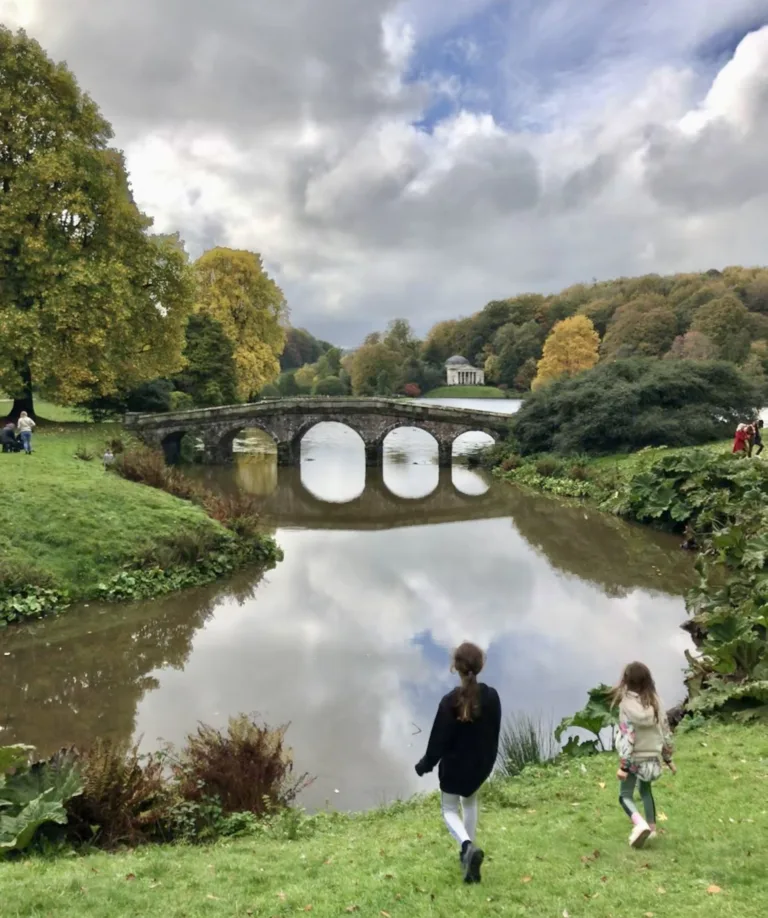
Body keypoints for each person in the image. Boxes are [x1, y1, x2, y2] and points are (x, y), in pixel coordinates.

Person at [414, 642, 501, 884]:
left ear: (456, 668)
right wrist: (488, 761)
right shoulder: (492, 696)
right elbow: (494, 730)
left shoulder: (449, 702)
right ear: (480, 666)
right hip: (480, 767)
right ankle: (469, 853)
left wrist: (424, 765)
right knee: (470, 802)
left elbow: (437, 743)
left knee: (449, 810)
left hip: (454, 770)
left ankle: (466, 846)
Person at [614, 662, 676, 849]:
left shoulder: (626, 705)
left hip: (634, 760)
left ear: (625, 680)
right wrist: (668, 759)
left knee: (624, 796)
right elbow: (665, 732)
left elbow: (628, 737)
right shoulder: (656, 702)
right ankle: (652, 829)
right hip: (652, 759)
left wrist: (624, 766)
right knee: (645, 791)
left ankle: (640, 825)